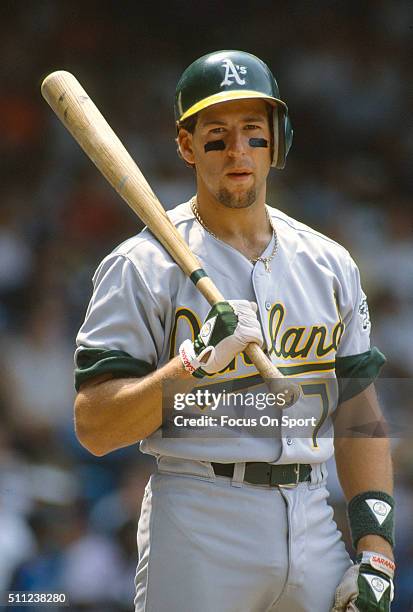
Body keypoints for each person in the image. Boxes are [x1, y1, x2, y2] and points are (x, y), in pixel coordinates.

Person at [74, 50, 395, 611]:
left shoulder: (329, 262)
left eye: (253, 132)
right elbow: (95, 427)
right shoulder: (140, 265)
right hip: (200, 516)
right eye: (217, 136)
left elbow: (359, 415)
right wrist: (192, 367)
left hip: (314, 514)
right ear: (187, 146)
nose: (238, 151)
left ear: (280, 139)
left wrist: (375, 551)